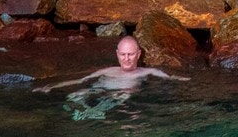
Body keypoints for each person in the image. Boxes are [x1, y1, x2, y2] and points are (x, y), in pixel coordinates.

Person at [46, 35, 186, 95]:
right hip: (98, 93)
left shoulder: (146, 72)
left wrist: (187, 80)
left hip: (121, 99)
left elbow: (170, 78)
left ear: (138, 54)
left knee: (124, 95)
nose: (126, 59)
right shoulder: (108, 71)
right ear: (117, 54)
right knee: (77, 95)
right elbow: (81, 81)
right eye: (123, 54)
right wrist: (51, 86)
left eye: (130, 54)